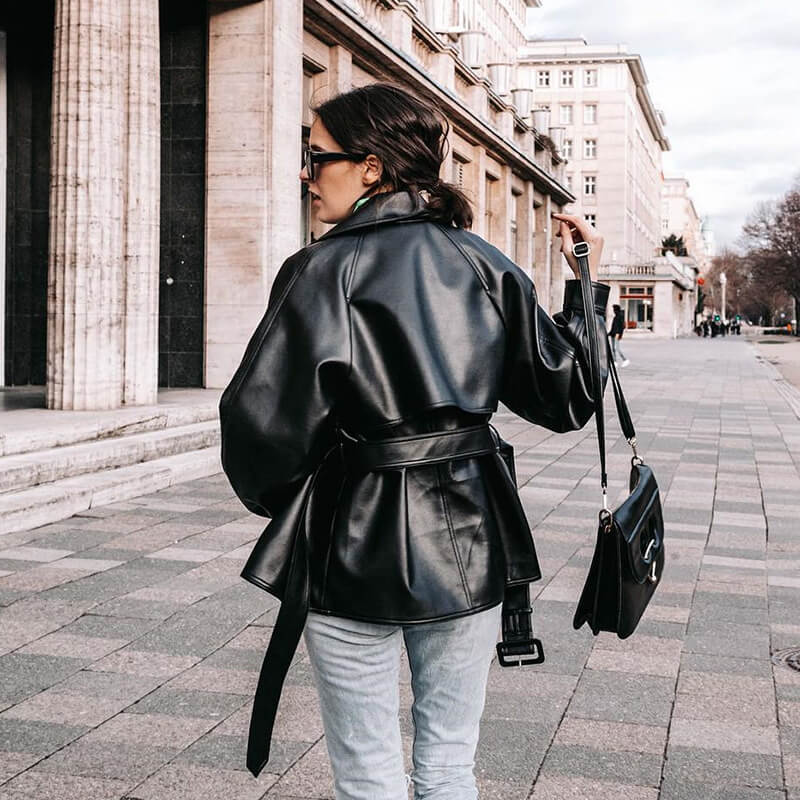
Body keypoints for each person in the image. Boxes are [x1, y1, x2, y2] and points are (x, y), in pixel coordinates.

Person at [218, 82, 610, 800]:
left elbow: (259, 426)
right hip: (471, 531)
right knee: (449, 763)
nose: (307, 175)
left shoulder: (320, 269)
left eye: (317, 157)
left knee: (368, 771)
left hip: (349, 534)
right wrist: (585, 285)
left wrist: (293, 503)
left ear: (371, 168)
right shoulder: (482, 263)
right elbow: (571, 396)